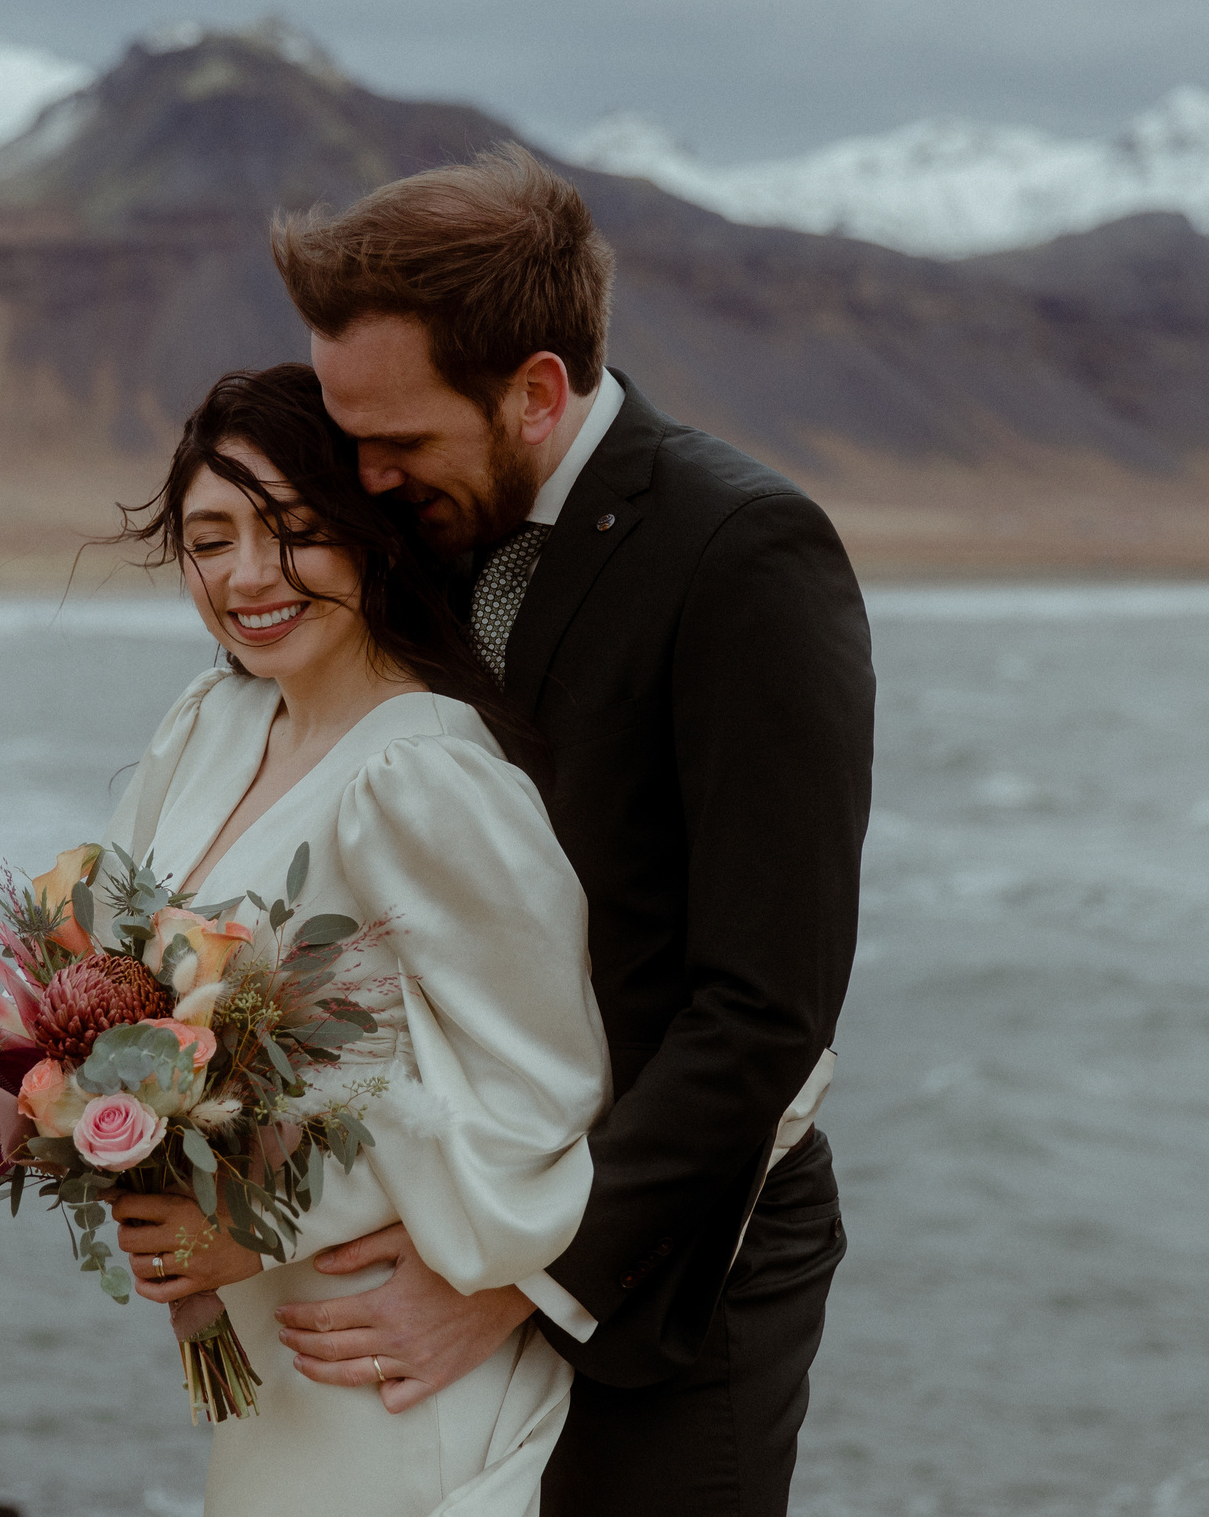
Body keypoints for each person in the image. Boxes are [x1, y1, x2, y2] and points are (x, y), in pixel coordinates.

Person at [262, 144, 876, 1517]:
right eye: (345, 431)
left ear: (537, 390)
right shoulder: (417, 526)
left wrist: (520, 1277)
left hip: (673, 1265)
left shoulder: (747, 555)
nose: (360, 478)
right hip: (436, 1230)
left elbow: (766, 1008)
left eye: (399, 439)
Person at [98, 363, 611, 1517]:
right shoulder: (207, 724)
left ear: (373, 539)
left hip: (384, 1356)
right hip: (268, 1359)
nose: (248, 577)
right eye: (210, 538)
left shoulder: (420, 773)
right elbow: (108, 984)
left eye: (295, 534)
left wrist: (258, 1217)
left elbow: (547, 1091)